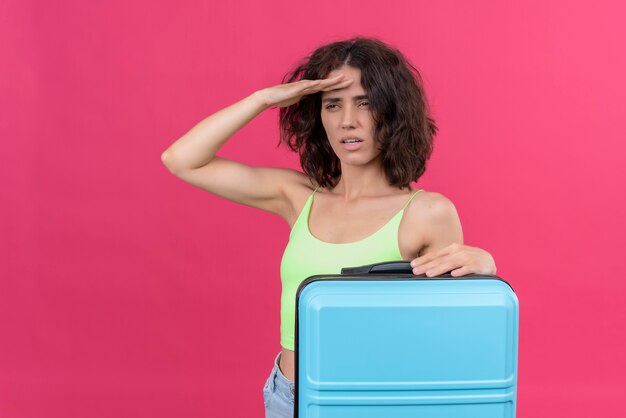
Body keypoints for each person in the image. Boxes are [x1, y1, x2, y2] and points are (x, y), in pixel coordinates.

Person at [160, 37, 497, 418]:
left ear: (393, 111)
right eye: (332, 104)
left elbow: (448, 336)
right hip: (289, 397)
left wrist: (484, 273)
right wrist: (264, 99)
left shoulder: (426, 213)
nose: (347, 121)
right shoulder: (298, 197)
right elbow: (181, 159)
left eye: (365, 103)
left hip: (372, 398)